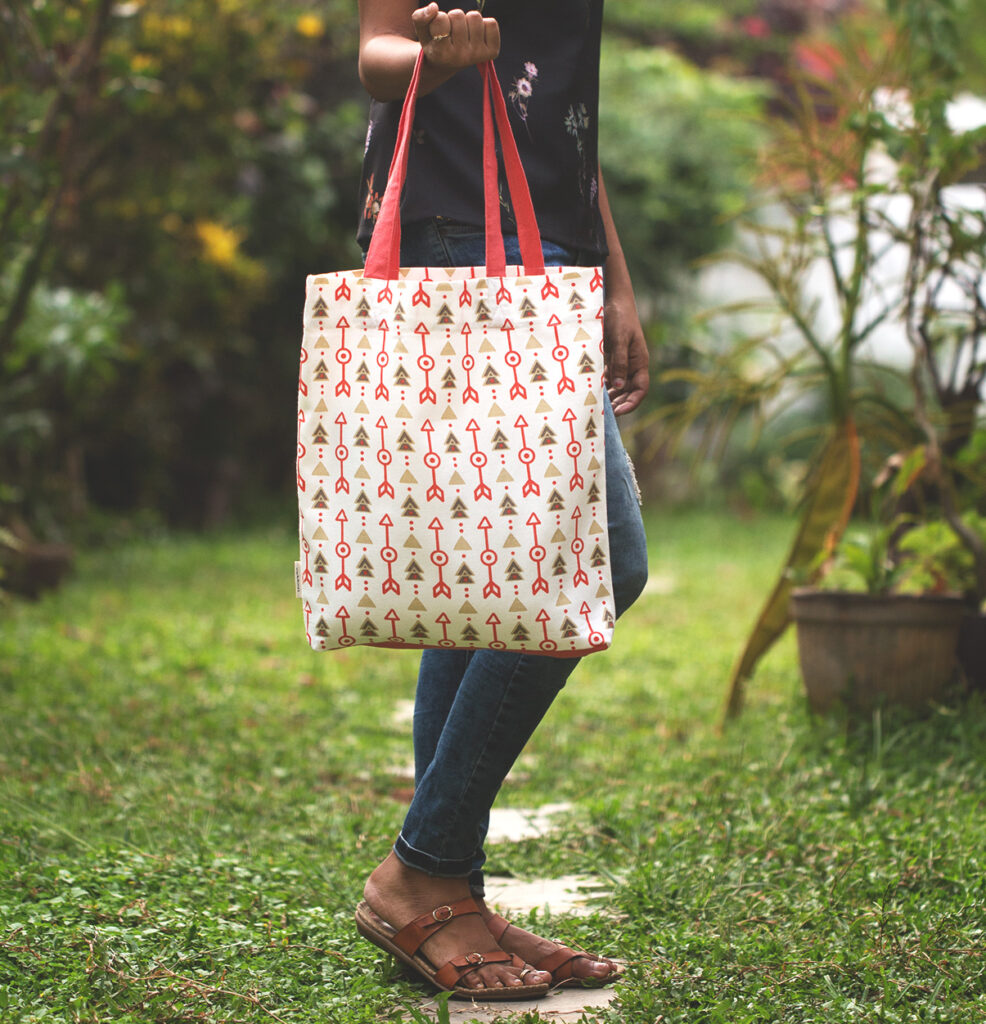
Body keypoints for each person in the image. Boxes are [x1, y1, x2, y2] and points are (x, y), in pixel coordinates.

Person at [353, 0, 650, 999]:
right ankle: (422, 867)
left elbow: (563, 110)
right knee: (601, 556)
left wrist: (609, 271)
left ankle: (450, 892)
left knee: (480, 580)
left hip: (548, 244)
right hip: (453, 236)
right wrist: (432, 53)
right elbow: (375, 54)